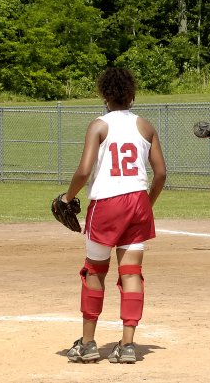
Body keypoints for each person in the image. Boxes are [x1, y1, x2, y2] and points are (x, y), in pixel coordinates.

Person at [62, 68, 167, 363]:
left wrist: (67, 197)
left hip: (107, 203)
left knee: (94, 270)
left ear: (105, 96)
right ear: (132, 96)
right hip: (138, 201)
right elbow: (160, 174)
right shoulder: (145, 126)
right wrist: (147, 204)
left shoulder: (99, 125)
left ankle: (88, 344)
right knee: (131, 272)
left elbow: (84, 171)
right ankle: (128, 345)